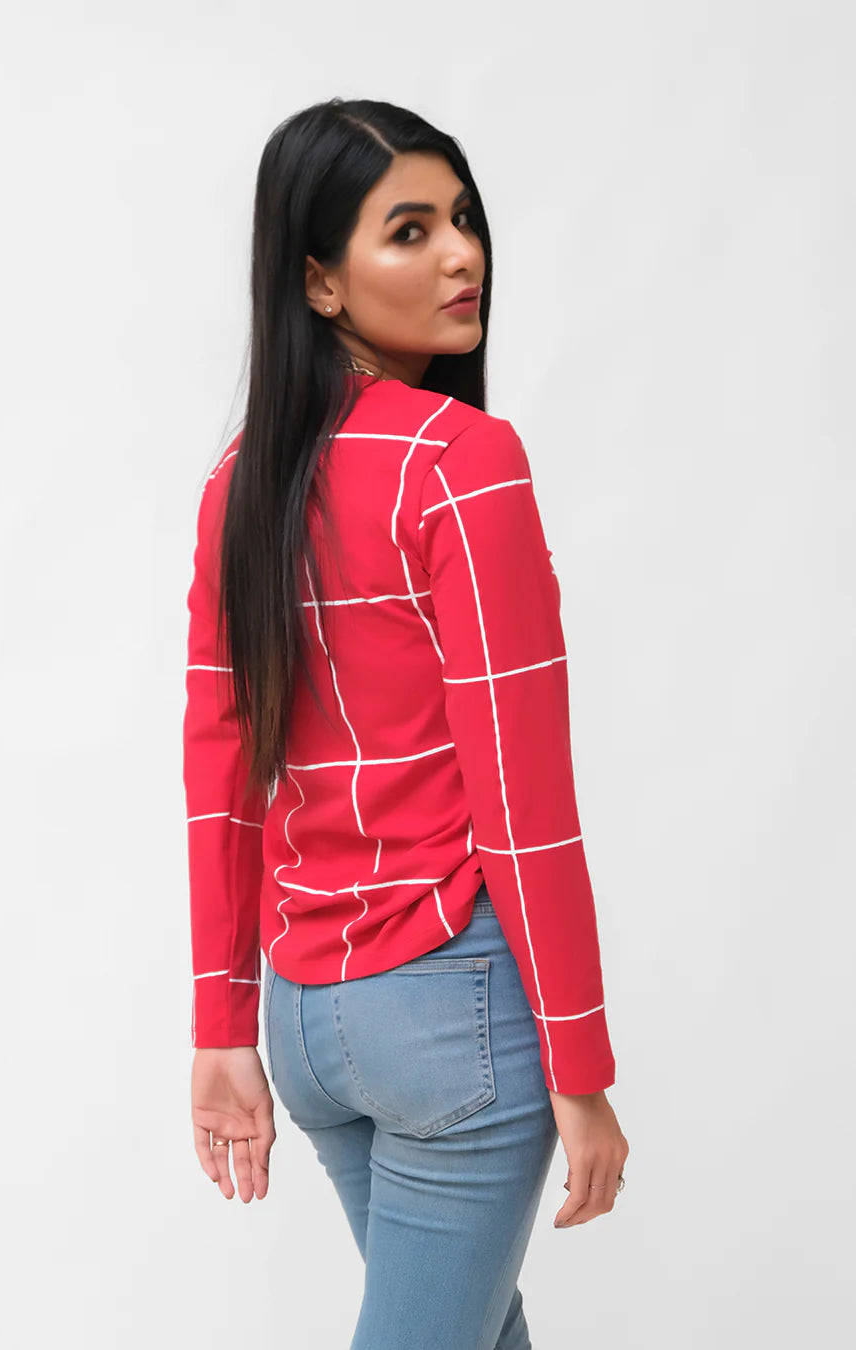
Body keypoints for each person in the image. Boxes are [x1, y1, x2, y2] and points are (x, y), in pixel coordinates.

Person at [182, 96, 629, 1349]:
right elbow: (523, 801)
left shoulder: (237, 485)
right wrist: (582, 1069)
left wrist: (223, 1026)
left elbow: (221, 774)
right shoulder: (460, 461)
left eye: (464, 220)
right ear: (319, 281)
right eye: (411, 229)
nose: (462, 255)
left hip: (307, 1018)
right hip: (453, 1016)